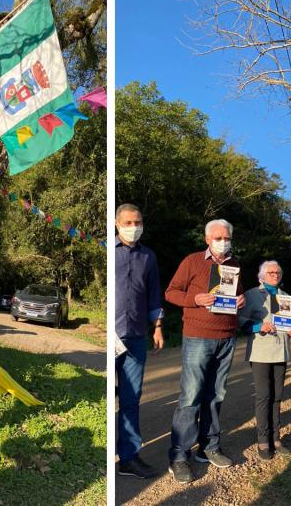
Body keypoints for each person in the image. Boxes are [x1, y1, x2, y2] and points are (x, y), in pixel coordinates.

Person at [164, 219, 245, 484]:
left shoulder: (234, 266)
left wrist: (241, 300)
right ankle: (179, 455)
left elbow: (237, 297)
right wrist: (194, 299)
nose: (223, 241)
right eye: (218, 237)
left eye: (227, 237)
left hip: (227, 338)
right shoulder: (193, 261)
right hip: (198, 337)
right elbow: (171, 292)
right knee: (191, 397)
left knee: (216, 395)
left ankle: (208, 447)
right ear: (207, 239)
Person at [114, 203, 165, 479]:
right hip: (110, 337)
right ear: (116, 223)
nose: (134, 227)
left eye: (138, 222)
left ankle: (129, 458)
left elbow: (154, 294)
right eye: (129, 222)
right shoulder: (107, 252)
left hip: (136, 337)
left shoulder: (149, 257)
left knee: (131, 399)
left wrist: (157, 327)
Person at [238, 261, 291, 460]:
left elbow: (289, 322)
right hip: (261, 351)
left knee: (278, 395)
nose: (275, 274)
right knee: (264, 396)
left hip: (281, 351)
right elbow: (240, 320)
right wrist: (258, 327)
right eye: (270, 272)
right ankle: (263, 441)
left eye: (278, 272)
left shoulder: (285, 296)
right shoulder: (252, 294)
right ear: (261, 275)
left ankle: (276, 438)